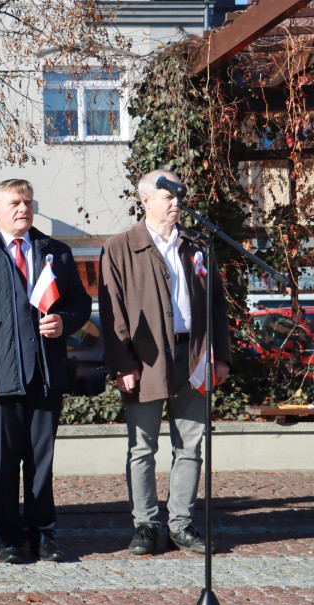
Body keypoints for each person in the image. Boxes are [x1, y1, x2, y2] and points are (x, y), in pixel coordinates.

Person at [0, 179, 91, 564]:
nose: (22, 209)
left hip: (45, 376)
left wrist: (64, 321)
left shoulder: (55, 253)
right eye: (14, 203)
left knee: (41, 462)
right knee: (5, 461)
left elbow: (81, 303)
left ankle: (44, 535)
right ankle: (10, 538)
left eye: (28, 201)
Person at [98, 169, 231, 556]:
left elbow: (217, 304)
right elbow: (112, 312)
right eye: (168, 197)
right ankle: (145, 525)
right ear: (146, 201)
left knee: (191, 444)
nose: (177, 203)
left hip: (193, 356)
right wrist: (123, 363)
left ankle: (181, 524)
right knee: (142, 447)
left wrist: (220, 355)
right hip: (146, 360)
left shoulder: (197, 244)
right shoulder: (120, 247)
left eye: (179, 196)